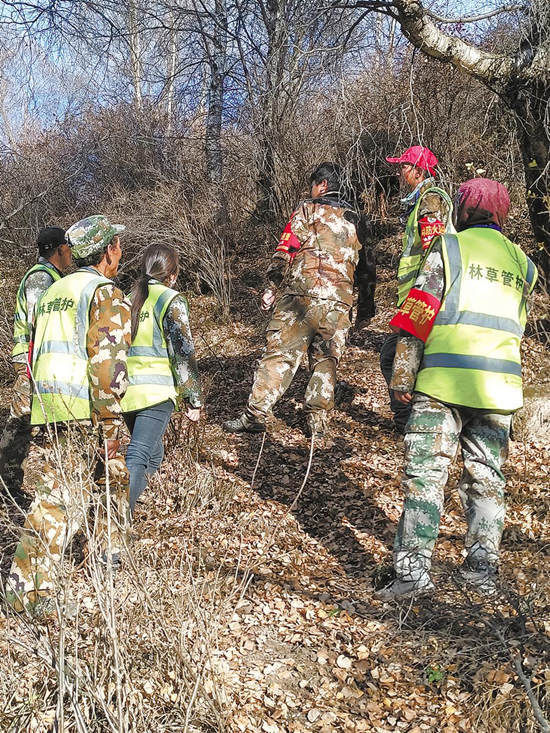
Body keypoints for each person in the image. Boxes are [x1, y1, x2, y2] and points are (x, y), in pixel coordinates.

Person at [378, 178, 538, 600]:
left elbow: (416, 316)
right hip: (498, 390)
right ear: (503, 215)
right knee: (487, 479)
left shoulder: (447, 249)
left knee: (426, 477)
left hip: (442, 384)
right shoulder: (525, 264)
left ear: (462, 211)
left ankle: (413, 576)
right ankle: (481, 575)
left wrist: (401, 377)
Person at [6, 215, 132, 617]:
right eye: (118, 244)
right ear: (109, 250)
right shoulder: (104, 293)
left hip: (49, 408)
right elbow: (107, 365)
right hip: (84, 410)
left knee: (79, 491)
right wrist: (111, 422)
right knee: (60, 505)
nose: (121, 251)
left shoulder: (53, 291)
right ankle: (25, 594)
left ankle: (103, 554)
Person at [224, 162, 361, 439]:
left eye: (313, 185)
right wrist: (365, 307)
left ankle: (255, 415)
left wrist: (271, 287)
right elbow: (367, 268)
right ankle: (317, 421)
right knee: (325, 361)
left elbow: (285, 249)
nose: (311, 190)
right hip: (339, 303)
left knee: (279, 356)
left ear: (322, 185)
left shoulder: (307, 210)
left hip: (301, 297)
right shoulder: (356, 219)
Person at [121, 243, 202, 514]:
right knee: (139, 455)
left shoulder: (128, 299)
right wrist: (193, 397)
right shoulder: (170, 299)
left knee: (153, 455)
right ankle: (117, 523)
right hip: (156, 393)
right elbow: (183, 350)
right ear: (173, 273)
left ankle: (127, 509)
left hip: (128, 393)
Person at [380, 146, 453, 432]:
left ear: (419, 171)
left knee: (392, 357)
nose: (399, 172)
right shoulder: (420, 199)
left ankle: (409, 422)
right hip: (418, 296)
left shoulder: (430, 199)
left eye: (404, 167)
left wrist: (418, 299)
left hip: (424, 297)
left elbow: (433, 249)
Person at [0, 227, 72, 491]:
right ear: (60, 248)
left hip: (37, 358)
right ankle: (6, 484)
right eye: (68, 248)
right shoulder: (41, 277)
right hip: (31, 359)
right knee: (21, 421)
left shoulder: (51, 275)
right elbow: (39, 321)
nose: (71, 254)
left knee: (26, 421)